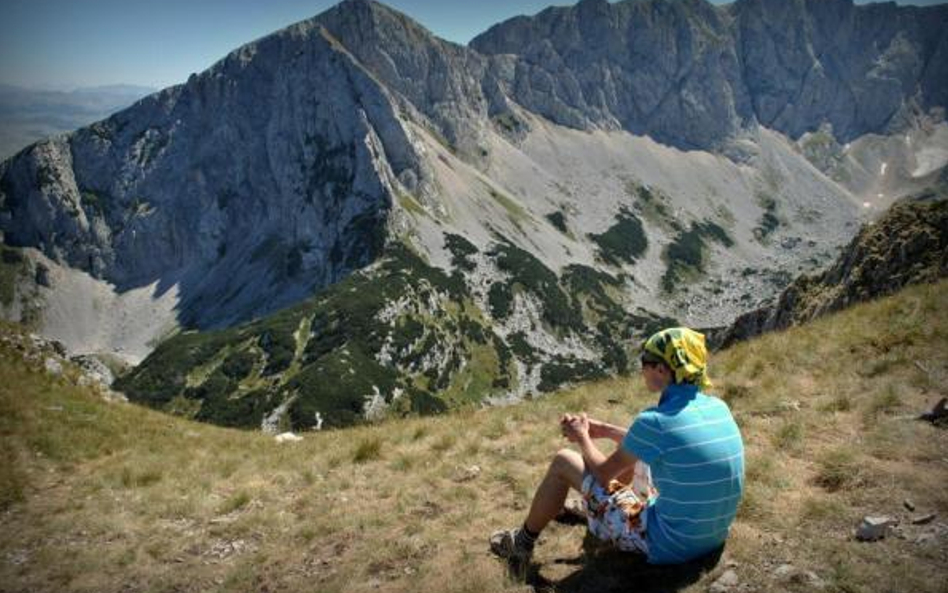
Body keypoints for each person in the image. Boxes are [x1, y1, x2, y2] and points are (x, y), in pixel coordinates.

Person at [490, 327, 744, 568]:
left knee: (564, 461)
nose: (642, 369)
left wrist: (582, 437)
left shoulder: (655, 421)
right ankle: (596, 505)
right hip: (711, 537)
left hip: (667, 545)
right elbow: (657, 443)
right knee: (637, 457)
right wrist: (605, 430)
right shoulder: (717, 406)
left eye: (646, 361)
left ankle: (521, 543)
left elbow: (602, 473)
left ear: (662, 370)